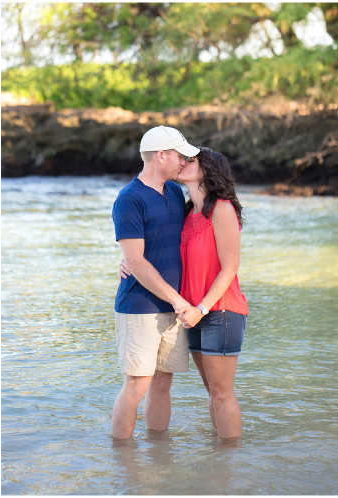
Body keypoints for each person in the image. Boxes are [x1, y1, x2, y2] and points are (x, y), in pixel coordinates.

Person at [121, 147, 249, 442]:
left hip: (221, 312)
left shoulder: (223, 209)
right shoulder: (186, 210)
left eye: (190, 161)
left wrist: (201, 308)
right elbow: (151, 245)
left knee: (221, 393)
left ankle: (230, 466)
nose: (181, 163)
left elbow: (230, 268)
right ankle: (218, 463)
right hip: (191, 313)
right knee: (211, 391)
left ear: (208, 170)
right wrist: (127, 261)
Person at [110, 125, 199, 439]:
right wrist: (178, 300)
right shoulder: (129, 199)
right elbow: (135, 261)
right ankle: (124, 467)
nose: (184, 162)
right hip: (141, 308)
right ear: (161, 156)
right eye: (179, 155)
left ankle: (159, 458)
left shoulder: (175, 192)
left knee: (163, 384)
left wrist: (179, 301)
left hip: (175, 307)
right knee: (137, 385)